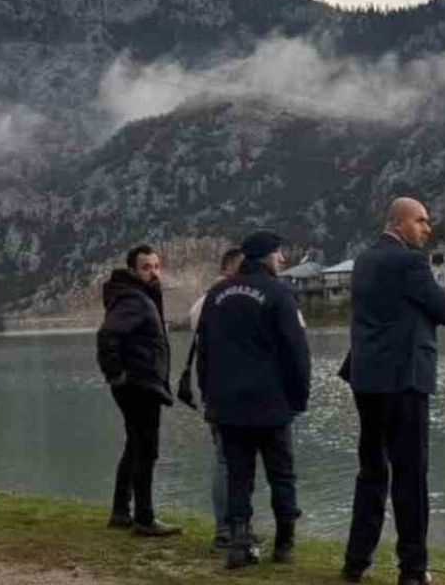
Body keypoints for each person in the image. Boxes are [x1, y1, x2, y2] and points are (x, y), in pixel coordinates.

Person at [341, 197, 445, 585]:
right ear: (399, 222)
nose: (428, 228)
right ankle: (412, 568)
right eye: (421, 221)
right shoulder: (410, 262)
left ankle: (356, 560)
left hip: (366, 378)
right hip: (404, 380)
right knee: (410, 475)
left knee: (371, 470)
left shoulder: (363, 261)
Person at [197, 231, 311, 569]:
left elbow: (205, 351)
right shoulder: (279, 293)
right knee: (281, 475)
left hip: (227, 404)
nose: (283, 260)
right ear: (266, 256)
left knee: (238, 476)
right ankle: (285, 543)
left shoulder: (216, 294)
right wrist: (299, 398)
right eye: (279, 253)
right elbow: (296, 352)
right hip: (271, 403)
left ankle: (239, 543)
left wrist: (209, 396)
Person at [96, 244, 182, 537]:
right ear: (132, 271)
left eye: (157, 266)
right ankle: (144, 518)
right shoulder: (133, 299)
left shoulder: (138, 296)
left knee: (135, 445)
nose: (153, 272)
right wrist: (116, 374)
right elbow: (108, 335)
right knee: (146, 449)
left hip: (142, 382)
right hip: (138, 384)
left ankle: (121, 512)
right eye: (146, 267)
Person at [179, 246, 246, 549]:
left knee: (224, 460)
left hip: (214, 391)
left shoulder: (202, 303)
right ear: (230, 268)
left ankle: (227, 527)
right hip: (234, 392)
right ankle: (228, 527)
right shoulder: (225, 299)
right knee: (228, 461)